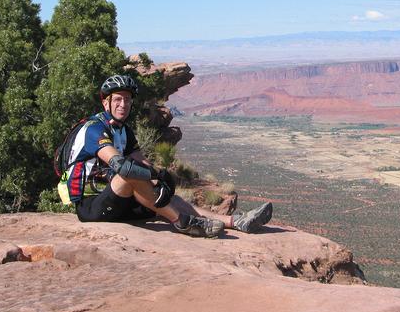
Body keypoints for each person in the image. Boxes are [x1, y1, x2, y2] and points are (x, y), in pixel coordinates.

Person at [61, 74, 272, 238]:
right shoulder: (94, 129)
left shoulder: (124, 130)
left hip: (118, 202)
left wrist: (160, 179)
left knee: (167, 197)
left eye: (127, 99)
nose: (123, 104)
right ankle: (182, 223)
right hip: (92, 206)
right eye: (117, 99)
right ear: (105, 103)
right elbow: (123, 167)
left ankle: (235, 222)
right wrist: (156, 175)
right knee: (130, 173)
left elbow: (142, 162)